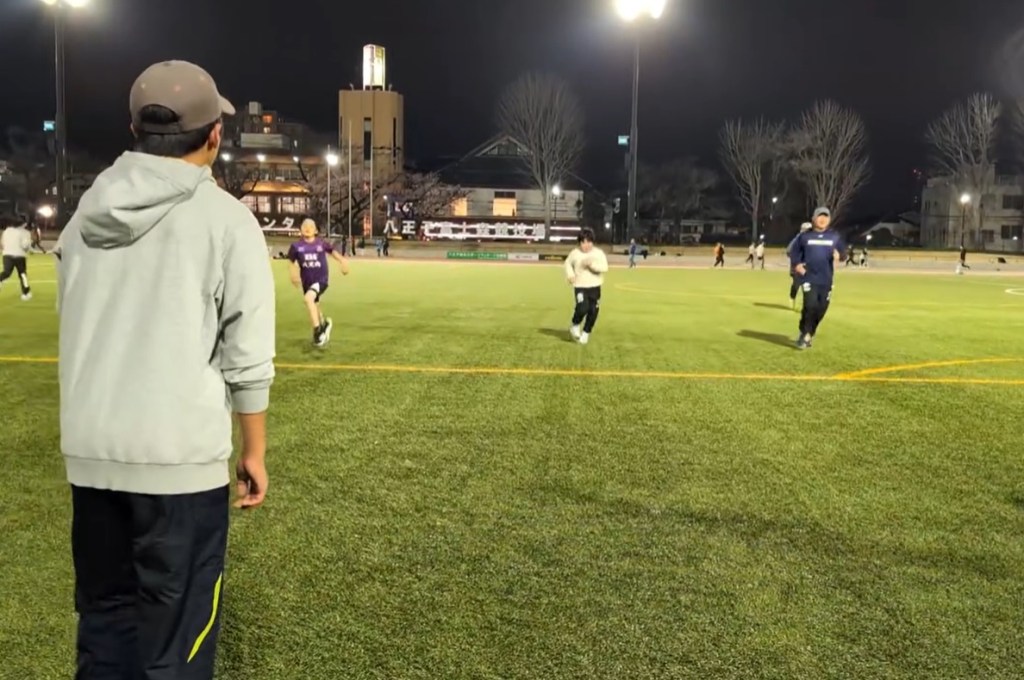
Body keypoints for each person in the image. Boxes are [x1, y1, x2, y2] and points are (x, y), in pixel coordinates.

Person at [55, 60, 276, 679]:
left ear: (134, 129)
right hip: (178, 463)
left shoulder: (83, 217)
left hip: (93, 457)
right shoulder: (226, 220)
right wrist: (254, 451)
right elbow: (247, 352)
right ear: (215, 135)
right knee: (177, 644)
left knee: (104, 626)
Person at [288, 217, 350, 347]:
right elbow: (291, 262)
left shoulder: (320, 244)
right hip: (307, 281)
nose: (307, 228)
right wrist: (293, 275)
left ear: (316, 230)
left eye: (311, 226)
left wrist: (343, 261)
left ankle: (317, 333)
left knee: (308, 299)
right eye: (304, 226)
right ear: (300, 230)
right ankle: (324, 324)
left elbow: (332, 252)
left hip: (321, 280)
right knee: (314, 304)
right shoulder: (296, 247)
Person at [789, 207, 844, 349]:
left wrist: (839, 256)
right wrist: (797, 265)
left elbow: (843, 253)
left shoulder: (834, 236)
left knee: (821, 309)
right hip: (809, 277)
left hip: (826, 279)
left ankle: (808, 332)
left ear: (829, 219)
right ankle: (805, 335)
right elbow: (793, 252)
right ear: (814, 218)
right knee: (810, 305)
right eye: (820, 216)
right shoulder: (804, 236)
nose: (823, 219)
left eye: (826, 216)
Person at [565, 227, 608, 345]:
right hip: (580, 286)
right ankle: (575, 324)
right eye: (583, 242)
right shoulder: (575, 253)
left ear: (592, 242)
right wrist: (570, 274)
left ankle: (586, 332)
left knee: (593, 311)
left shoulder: (598, 253)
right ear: (579, 243)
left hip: (595, 286)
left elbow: (605, 268)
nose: (586, 245)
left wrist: (591, 266)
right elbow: (567, 263)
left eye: (589, 242)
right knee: (582, 307)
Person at [0, 214, 33, 301]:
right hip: (19, 256)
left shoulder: (7, 231)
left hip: (7, 255)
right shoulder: (25, 232)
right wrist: (29, 246)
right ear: (24, 223)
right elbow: (25, 246)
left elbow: (2, 243)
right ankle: (26, 293)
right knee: (22, 274)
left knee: (6, 272)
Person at [785, 222, 813, 310]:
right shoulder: (797, 239)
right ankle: (792, 299)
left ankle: (806, 305)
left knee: (807, 286)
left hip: (808, 267)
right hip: (798, 267)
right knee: (796, 285)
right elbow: (789, 251)